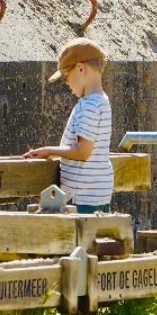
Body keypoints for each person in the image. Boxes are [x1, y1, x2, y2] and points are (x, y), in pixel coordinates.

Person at [24, 38, 114, 211]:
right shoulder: (102, 101)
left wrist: (49, 151)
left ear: (80, 69)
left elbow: (83, 151)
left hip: (80, 195)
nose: (66, 83)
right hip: (98, 192)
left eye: (66, 76)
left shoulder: (88, 105)